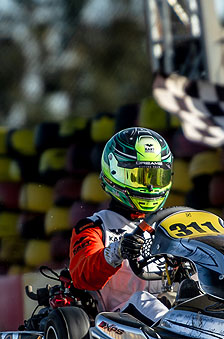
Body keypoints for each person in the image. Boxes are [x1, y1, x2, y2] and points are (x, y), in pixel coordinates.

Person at [69, 127, 174, 322]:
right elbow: (83, 277)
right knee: (142, 301)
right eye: (137, 177)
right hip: (117, 321)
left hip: (171, 308)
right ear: (116, 173)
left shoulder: (171, 223)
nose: (150, 186)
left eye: (155, 177)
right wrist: (116, 252)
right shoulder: (95, 227)